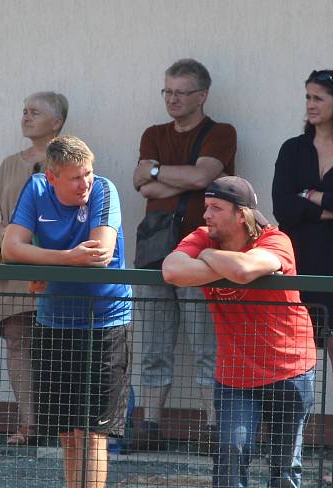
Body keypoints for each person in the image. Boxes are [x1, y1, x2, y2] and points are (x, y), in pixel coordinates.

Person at [163, 176, 316, 488]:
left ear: (241, 214)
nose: (206, 215)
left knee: (286, 462)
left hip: (289, 367)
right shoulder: (202, 235)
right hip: (235, 373)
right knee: (231, 453)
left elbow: (250, 268)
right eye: (206, 207)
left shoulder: (275, 240)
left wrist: (211, 261)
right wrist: (223, 263)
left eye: (215, 208)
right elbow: (172, 269)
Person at [2, 135, 132, 488]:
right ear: (51, 176)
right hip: (55, 320)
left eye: (88, 174)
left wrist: (40, 262)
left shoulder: (105, 190)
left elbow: (100, 252)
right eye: (75, 178)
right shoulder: (35, 189)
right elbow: (10, 248)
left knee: (94, 431)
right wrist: (61, 259)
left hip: (104, 321)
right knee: (67, 432)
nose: (85, 184)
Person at [132, 58, 237, 452]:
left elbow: (203, 177)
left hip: (206, 254)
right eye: (167, 91)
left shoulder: (221, 133)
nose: (172, 99)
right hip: (157, 253)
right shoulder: (153, 134)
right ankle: (149, 426)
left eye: (181, 92)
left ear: (202, 95)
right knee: (154, 344)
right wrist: (177, 177)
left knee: (207, 342)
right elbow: (141, 187)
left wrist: (159, 174)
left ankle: (215, 428)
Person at [0, 91, 68, 446]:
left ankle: (64, 426)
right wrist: (10, 237)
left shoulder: (71, 159)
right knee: (17, 340)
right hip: (14, 265)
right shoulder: (9, 164)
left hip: (55, 262)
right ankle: (28, 425)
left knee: (61, 343)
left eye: (35, 112)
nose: (26, 117)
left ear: (57, 122)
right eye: (24, 111)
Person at [272, 69, 333, 377]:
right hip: (299, 260)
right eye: (308, 98)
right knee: (292, 344)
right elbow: (283, 207)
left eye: (318, 98)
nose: (311, 105)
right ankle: (289, 423)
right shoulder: (293, 149)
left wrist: (310, 195)